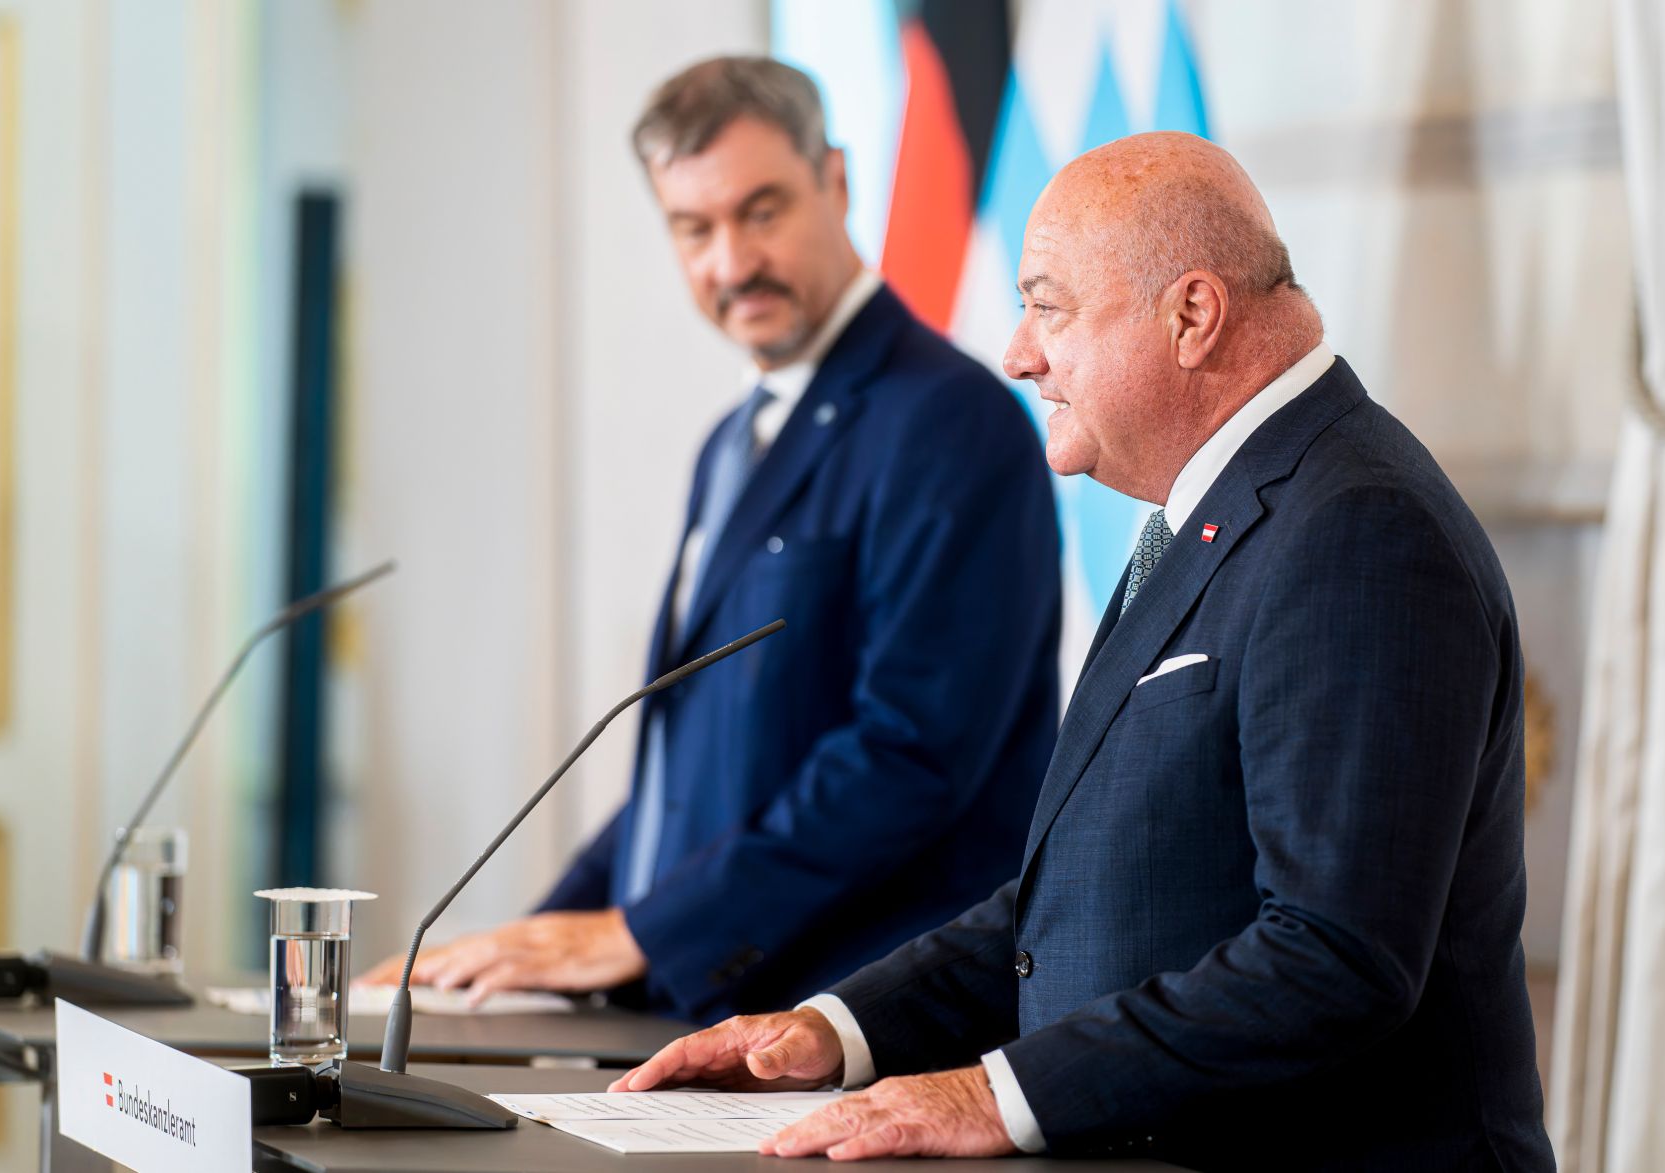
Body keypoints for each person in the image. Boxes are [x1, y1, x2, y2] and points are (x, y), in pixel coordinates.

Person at [608, 131, 1557, 1171]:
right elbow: (1084, 892)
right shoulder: (1217, 510)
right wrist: (835, 1031)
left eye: (1047, 306)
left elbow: (1332, 957)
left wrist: (990, 1094)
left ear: (1190, 316)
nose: (1017, 353)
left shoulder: (1356, 527)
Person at [358, 57, 1060, 1025]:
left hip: (862, 1026)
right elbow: (687, 769)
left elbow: (909, 755)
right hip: (713, 1011)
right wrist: (537, 939)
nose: (730, 263)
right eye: (693, 228)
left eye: (760, 211)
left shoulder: (948, 422)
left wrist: (644, 933)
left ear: (837, 182)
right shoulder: (732, 442)